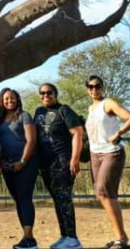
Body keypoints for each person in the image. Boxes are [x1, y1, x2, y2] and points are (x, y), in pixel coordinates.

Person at [85, 75, 130, 249]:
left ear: (102, 87)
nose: (94, 89)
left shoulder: (108, 103)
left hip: (111, 152)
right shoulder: (91, 108)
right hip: (95, 154)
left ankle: (121, 238)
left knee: (104, 190)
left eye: (97, 86)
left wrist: (118, 133)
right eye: (91, 87)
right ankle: (120, 236)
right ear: (87, 89)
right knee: (103, 194)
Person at [33, 83, 84, 249]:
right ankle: (65, 236)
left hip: (62, 161)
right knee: (57, 200)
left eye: (49, 93)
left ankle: (73, 238)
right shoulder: (39, 112)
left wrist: (74, 159)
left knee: (64, 198)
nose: (46, 96)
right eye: (42, 93)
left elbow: (77, 132)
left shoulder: (64, 110)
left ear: (55, 94)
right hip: (46, 164)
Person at [0, 88, 38, 249]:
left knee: (24, 197)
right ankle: (26, 237)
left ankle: (29, 238)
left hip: (26, 163)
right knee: (18, 200)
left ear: (17, 99)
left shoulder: (24, 116)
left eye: (12, 98)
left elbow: (31, 140)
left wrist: (23, 160)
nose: (9, 101)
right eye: (6, 99)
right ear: (2, 101)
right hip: (8, 165)